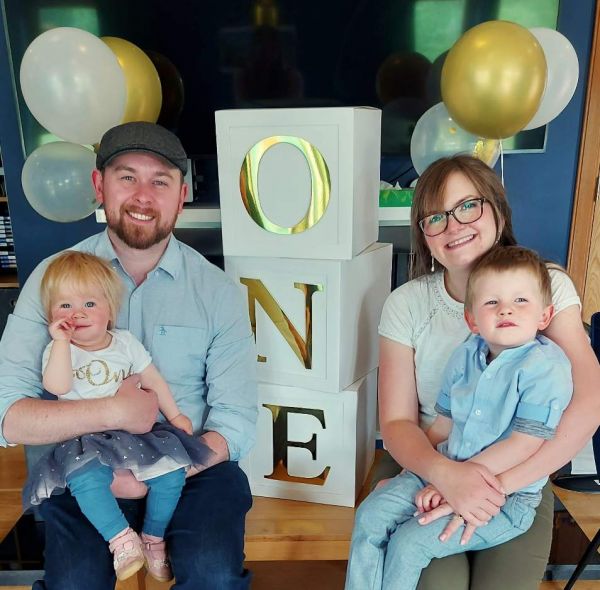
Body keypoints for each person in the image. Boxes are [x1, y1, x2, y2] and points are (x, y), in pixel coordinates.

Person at [0, 121, 258, 590]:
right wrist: (112, 412)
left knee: (213, 574)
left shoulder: (217, 291)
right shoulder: (49, 281)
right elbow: (9, 417)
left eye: (160, 181)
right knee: (75, 582)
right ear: (99, 185)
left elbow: (237, 420)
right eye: (127, 177)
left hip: (190, 468)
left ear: (181, 195)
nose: (143, 195)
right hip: (81, 468)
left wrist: (165, 468)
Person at [374, 155, 600, 590]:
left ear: (497, 209)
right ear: (424, 235)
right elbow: (397, 422)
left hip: (520, 477)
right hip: (425, 463)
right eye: (435, 217)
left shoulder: (543, 286)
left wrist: (494, 484)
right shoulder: (406, 303)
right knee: (438, 582)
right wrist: (446, 476)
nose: (454, 226)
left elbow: (588, 403)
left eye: (468, 206)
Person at [345, 245, 573, 590]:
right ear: (472, 320)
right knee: (371, 516)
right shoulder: (465, 356)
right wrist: (412, 475)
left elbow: (524, 444)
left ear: (544, 316)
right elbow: (442, 426)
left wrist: (456, 483)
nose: (506, 309)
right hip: (443, 469)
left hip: (505, 495)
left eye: (521, 301)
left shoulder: (546, 369)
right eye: (492, 302)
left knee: (411, 543)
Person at [23, 250, 215, 582]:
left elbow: (152, 379)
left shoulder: (124, 343)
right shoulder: (58, 351)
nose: (77, 314)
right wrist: (60, 343)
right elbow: (58, 385)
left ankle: (153, 537)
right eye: (64, 306)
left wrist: (176, 414)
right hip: (86, 438)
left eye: (89, 304)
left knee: (171, 473)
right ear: (51, 314)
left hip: (135, 435)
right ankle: (121, 539)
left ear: (110, 310)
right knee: (85, 480)